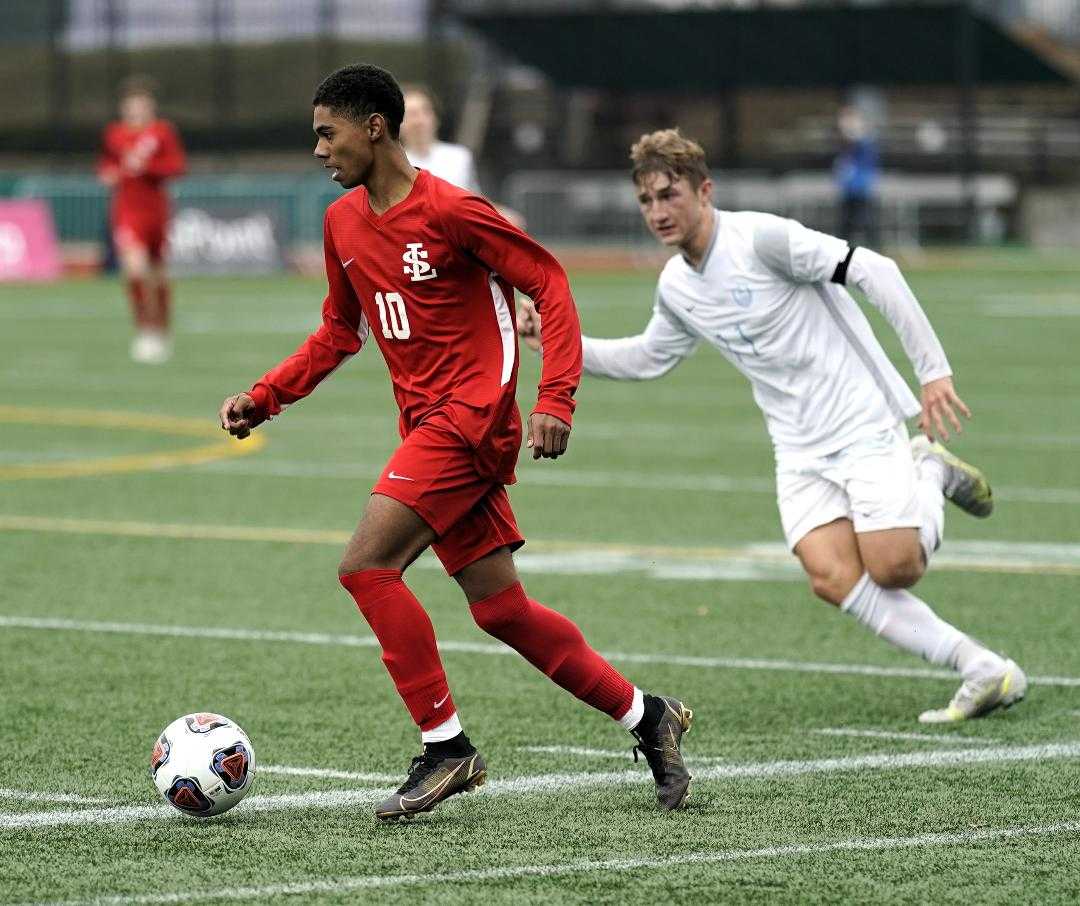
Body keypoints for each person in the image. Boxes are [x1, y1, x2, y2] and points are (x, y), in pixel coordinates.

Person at [219, 65, 693, 820]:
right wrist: (265, 397)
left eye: (326, 132)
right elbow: (340, 333)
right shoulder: (343, 223)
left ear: (374, 127)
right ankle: (648, 716)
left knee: (366, 567)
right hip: (428, 428)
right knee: (501, 611)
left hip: (470, 421)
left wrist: (557, 396)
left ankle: (446, 749)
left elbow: (550, 282)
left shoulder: (453, 211)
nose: (318, 150)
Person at [518, 129, 1026, 724]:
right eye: (647, 201)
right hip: (798, 444)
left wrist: (933, 372)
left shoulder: (762, 239)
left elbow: (876, 270)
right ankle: (984, 669)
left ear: (704, 191)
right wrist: (553, 340)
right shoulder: (678, 285)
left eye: (669, 195)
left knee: (895, 567)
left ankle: (929, 470)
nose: (658, 211)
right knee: (832, 575)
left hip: (860, 417)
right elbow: (649, 357)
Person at [97, 77, 186, 364]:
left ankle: (162, 330)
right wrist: (109, 172)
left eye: (142, 109)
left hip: (156, 211)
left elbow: (176, 167)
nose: (136, 114)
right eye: (131, 110)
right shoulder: (114, 135)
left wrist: (147, 167)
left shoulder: (162, 133)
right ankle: (144, 332)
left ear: (151, 108)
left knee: (159, 275)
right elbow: (107, 165)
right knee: (134, 271)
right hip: (127, 211)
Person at [400, 83, 526, 228]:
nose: (419, 121)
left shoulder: (459, 156)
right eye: (412, 114)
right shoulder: (392, 165)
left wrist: (502, 214)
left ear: (435, 118)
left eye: (425, 112)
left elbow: (474, 199)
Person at [834, 105, 880, 248]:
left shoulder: (864, 144)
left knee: (865, 221)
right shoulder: (845, 148)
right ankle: (842, 251)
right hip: (848, 189)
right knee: (846, 224)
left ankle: (874, 249)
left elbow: (868, 161)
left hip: (861, 187)